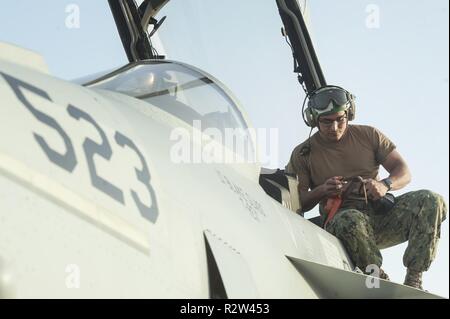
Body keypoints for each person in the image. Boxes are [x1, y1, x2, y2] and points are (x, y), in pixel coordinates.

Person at [286, 85, 447, 290]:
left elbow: (404, 172)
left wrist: (384, 185)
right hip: (342, 222)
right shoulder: (303, 154)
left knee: (431, 200)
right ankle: (376, 277)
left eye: (340, 119)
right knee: (349, 219)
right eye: (326, 121)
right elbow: (296, 204)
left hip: (380, 215)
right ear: (313, 119)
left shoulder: (369, 135)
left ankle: (414, 278)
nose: (334, 127)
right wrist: (322, 191)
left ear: (349, 114)